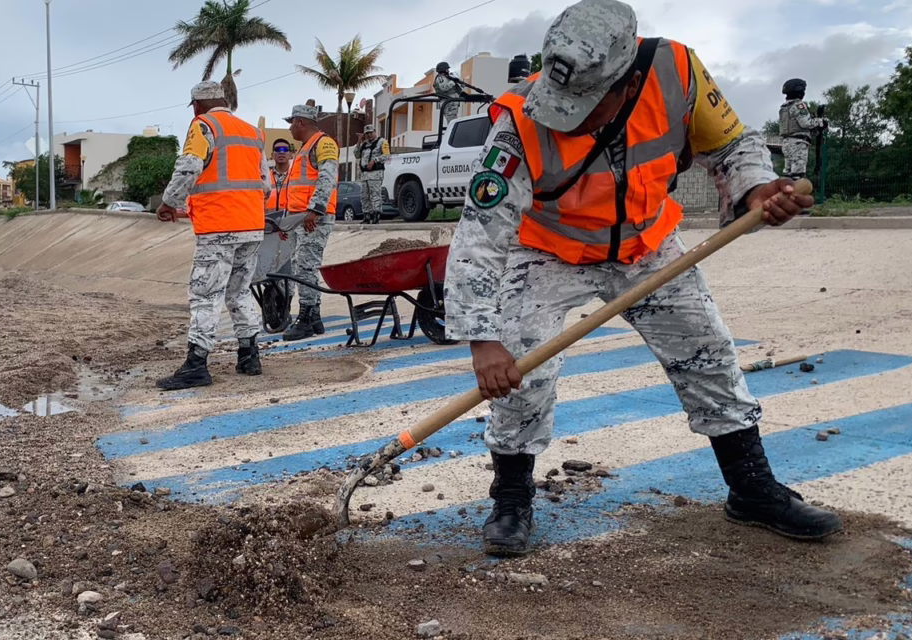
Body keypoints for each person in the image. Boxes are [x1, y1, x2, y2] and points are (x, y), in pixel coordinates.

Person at [445, 0, 842, 558]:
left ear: (626, 81)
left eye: (586, 105)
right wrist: (483, 339)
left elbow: (732, 145)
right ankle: (511, 497)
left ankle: (751, 490)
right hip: (549, 250)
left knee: (709, 354)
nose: (571, 117)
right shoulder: (519, 120)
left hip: (647, 246)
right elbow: (480, 235)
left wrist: (756, 189)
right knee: (522, 369)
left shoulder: (677, 71)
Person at [154, 81, 271, 390]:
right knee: (240, 291)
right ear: (223, 100)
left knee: (206, 295)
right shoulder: (251, 132)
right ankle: (249, 356)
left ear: (196, 105)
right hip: (251, 225)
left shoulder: (203, 125)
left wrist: (170, 202)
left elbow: (190, 165)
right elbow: (266, 184)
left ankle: (196, 364)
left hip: (219, 226)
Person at [281, 102, 339, 341]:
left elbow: (327, 177)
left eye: (291, 123)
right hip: (301, 218)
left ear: (301, 122)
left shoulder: (323, 144)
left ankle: (306, 317)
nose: (290, 129)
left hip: (313, 218)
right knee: (303, 267)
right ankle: (313, 317)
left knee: (305, 267)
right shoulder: (304, 148)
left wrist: (315, 209)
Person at [778, 78, 827, 181]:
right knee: (798, 176)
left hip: (787, 143)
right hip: (798, 143)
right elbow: (805, 123)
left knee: (788, 174)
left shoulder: (783, 108)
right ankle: (795, 195)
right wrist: (819, 121)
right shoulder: (799, 105)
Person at [354, 125, 390, 224]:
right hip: (365, 174)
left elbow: (387, 155)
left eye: (370, 133)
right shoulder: (364, 144)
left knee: (375, 195)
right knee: (364, 196)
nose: (369, 135)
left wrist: (375, 160)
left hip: (375, 173)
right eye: (367, 133)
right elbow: (356, 155)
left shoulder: (382, 142)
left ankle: (376, 214)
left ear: (375, 131)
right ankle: (366, 215)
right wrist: (359, 141)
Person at [268, 138, 293, 212]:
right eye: (277, 150)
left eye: (285, 150)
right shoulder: (265, 178)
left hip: (290, 221)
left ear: (290, 155)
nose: (281, 152)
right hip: (268, 220)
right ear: (272, 155)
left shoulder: (296, 177)